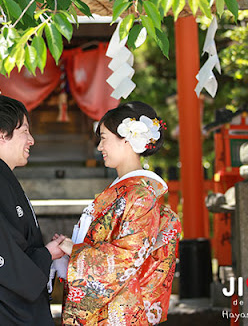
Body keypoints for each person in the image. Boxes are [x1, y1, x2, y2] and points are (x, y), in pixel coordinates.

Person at [60, 101, 181, 325]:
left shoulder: (140, 194)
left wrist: (74, 251)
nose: (99, 147)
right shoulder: (126, 189)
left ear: (127, 139)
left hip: (120, 311)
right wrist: (71, 247)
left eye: (104, 138)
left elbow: (128, 255)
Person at [0, 95, 66, 325]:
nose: (31, 140)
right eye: (24, 131)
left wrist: (46, 253)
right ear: (0, 134)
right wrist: (47, 254)